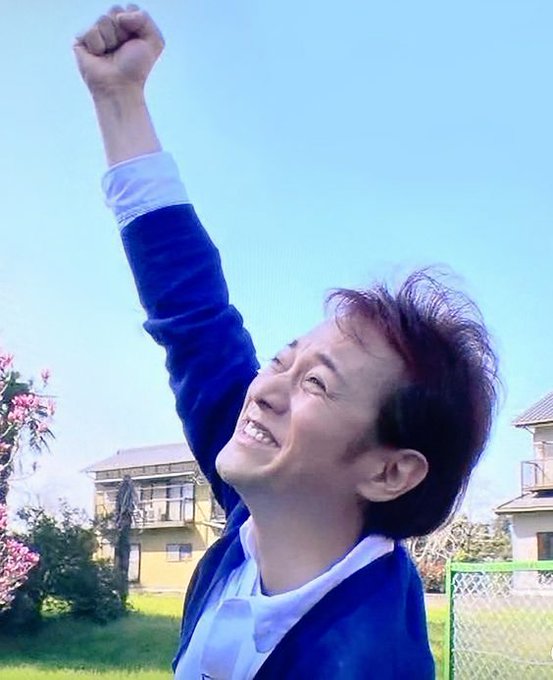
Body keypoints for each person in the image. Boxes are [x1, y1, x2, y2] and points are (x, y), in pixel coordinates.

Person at [74, 7, 498, 679]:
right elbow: (193, 315)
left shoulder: (364, 663)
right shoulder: (266, 511)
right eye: (281, 359)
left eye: (317, 384)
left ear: (389, 472)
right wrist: (119, 97)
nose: (267, 389)